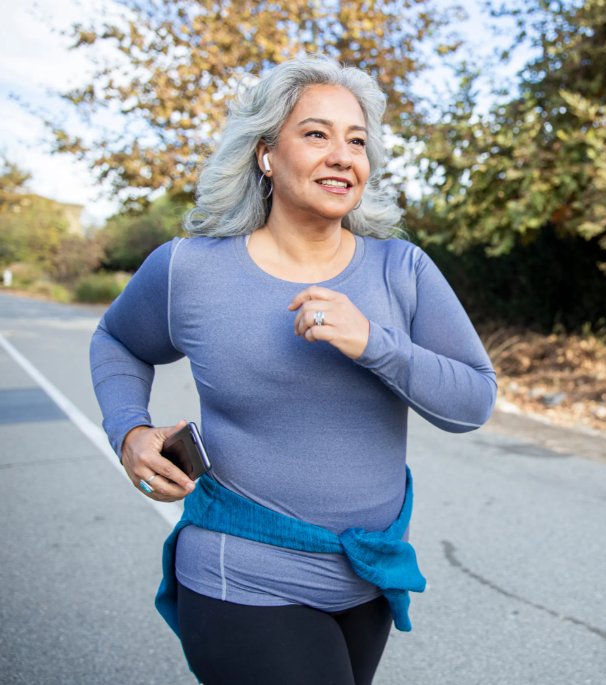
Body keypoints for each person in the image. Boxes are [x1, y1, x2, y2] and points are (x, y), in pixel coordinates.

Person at [90, 55, 497, 685]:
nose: (342, 156)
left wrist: (375, 343)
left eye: (356, 141)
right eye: (315, 134)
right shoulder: (190, 269)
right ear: (265, 154)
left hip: (367, 577)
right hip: (242, 574)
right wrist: (129, 430)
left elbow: (474, 402)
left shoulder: (403, 269)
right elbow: (117, 339)